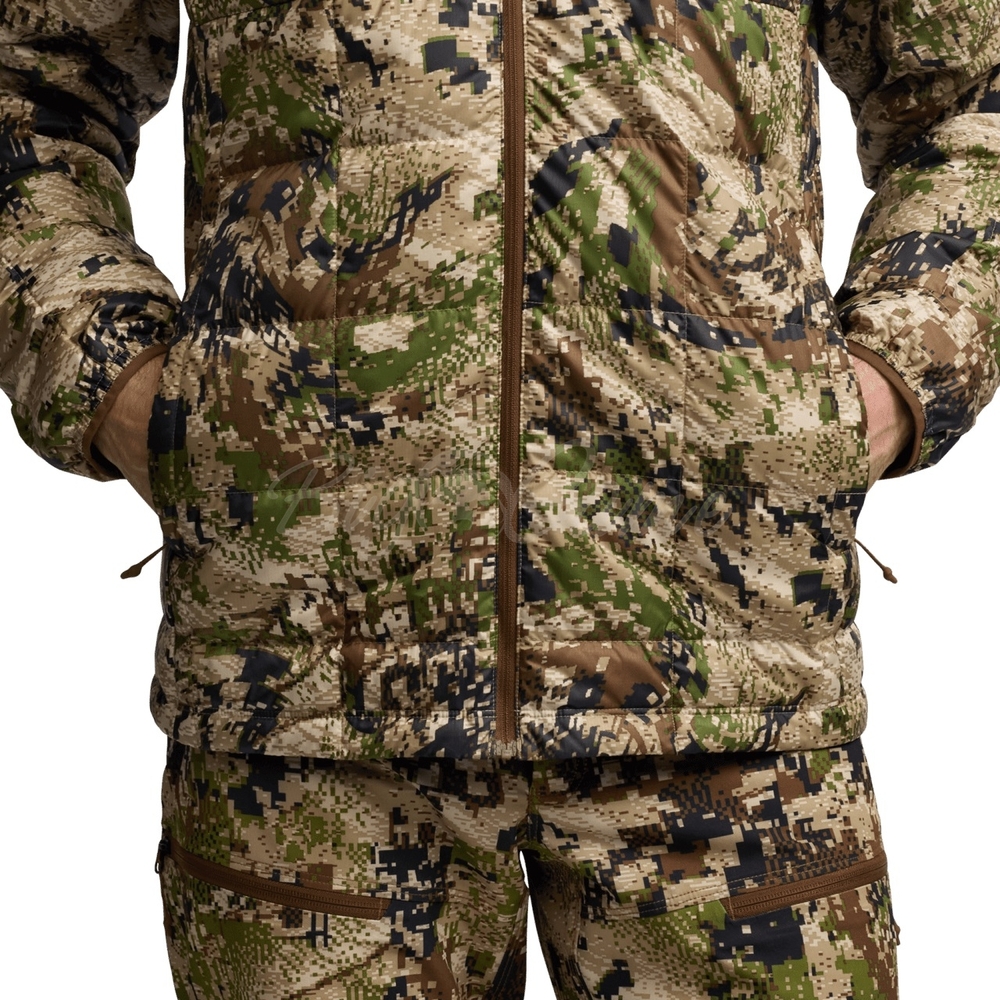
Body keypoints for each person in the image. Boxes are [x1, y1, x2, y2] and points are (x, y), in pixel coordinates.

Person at [2, 1, 997, 997]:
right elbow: (29, 91)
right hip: (310, 677)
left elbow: (975, 97)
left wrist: (896, 371)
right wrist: (112, 375)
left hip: (728, 666)